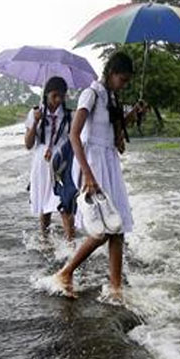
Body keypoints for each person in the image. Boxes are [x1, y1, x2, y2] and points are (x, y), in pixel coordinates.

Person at [54, 52, 147, 300]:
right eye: (121, 79)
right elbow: (74, 134)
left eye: (127, 81)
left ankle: (116, 288)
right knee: (103, 229)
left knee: (118, 228)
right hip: (91, 163)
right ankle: (65, 272)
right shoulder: (91, 94)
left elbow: (115, 138)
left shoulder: (112, 98)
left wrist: (132, 115)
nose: (123, 84)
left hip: (109, 162)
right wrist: (88, 175)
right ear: (110, 72)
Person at [25, 76, 75, 240]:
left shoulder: (68, 116)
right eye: (54, 95)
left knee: (65, 202)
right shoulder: (35, 113)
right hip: (42, 161)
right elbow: (28, 144)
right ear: (46, 94)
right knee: (44, 203)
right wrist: (35, 123)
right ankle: (44, 238)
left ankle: (70, 244)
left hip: (62, 162)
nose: (58, 100)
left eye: (62, 96)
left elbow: (73, 139)